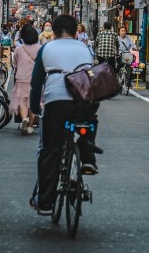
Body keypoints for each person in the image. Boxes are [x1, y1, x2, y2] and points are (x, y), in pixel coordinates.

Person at [29, 14, 100, 215]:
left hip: (56, 102)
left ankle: (45, 201)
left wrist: (35, 107)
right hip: (84, 101)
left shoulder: (47, 49)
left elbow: (36, 83)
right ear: (76, 31)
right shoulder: (84, 48)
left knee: (50, 149)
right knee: (89, 122)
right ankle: (87, 157)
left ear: (54, 32)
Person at [11, 25, 41, 134]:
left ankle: (24, 119)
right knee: (33, 103)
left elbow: (14, 64)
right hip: (35, 79)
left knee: (22, 102)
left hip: (21, 78)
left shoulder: (19, 49)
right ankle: (30, 126)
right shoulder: (40, 48)